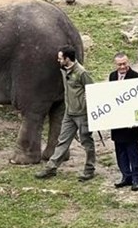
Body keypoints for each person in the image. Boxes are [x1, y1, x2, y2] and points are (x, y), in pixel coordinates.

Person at [35, 45, 95, 181]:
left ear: (67, 58)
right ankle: (51, 168)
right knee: (62, 141)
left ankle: (89, 169)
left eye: (60, 58)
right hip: (69, 113)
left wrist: (86, 106)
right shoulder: (63, 69)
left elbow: (92, 89)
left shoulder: (81, 73)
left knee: (87, 142)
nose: (58, 60)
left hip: (82, 114)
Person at [109, 52, 138, 192]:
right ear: (115, 64)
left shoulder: (137, 77)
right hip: (117, 121)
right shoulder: (112, 76)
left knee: (132, 151)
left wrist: (137, 119)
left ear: (128, 62)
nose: (122, 66)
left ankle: (136, 178)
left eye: (124, 63)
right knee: (120, 150)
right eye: (119, 64)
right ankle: (125, 176)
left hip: (131, 123)